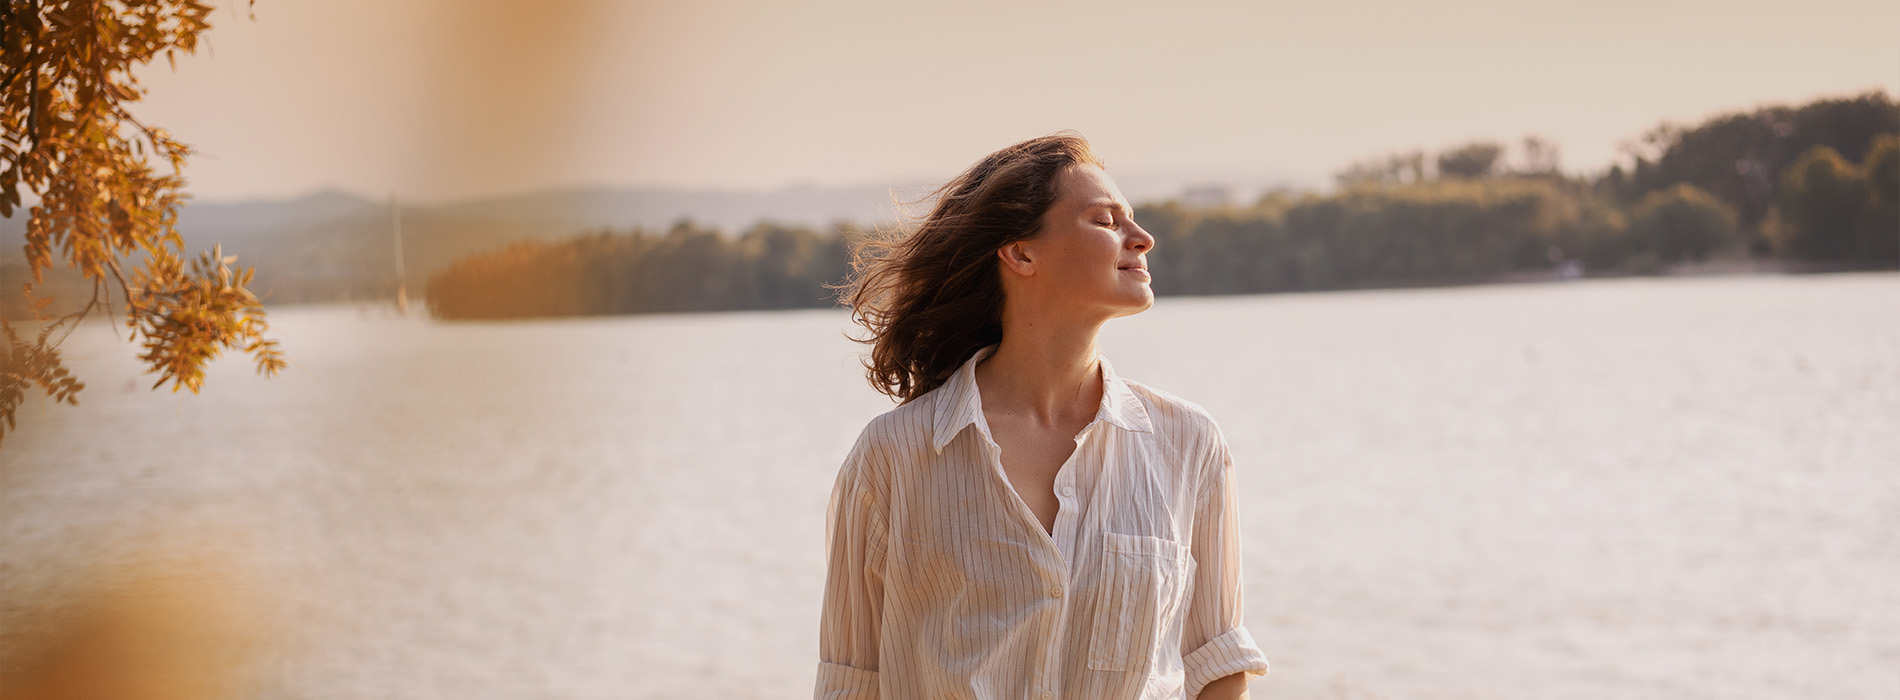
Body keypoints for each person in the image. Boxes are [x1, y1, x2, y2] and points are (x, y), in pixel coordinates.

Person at [816, 132, 1270, 700]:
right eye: (1106, 220)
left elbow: (1217, 660)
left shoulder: (1188, 442)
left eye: (1132, 219)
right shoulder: (895, 454)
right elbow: (850, 681)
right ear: (1021, 253)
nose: (1143, 238)